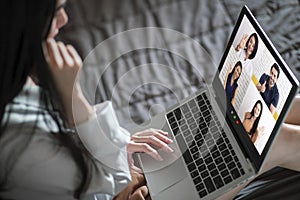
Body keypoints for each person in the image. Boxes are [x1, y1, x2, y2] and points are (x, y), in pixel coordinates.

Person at [0, 0, 173, 199]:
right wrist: (75, 98)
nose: (64, 19)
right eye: (56, 11)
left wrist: (117, 142)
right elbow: (114, 181)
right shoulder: (20, 147)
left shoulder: (12, 80)